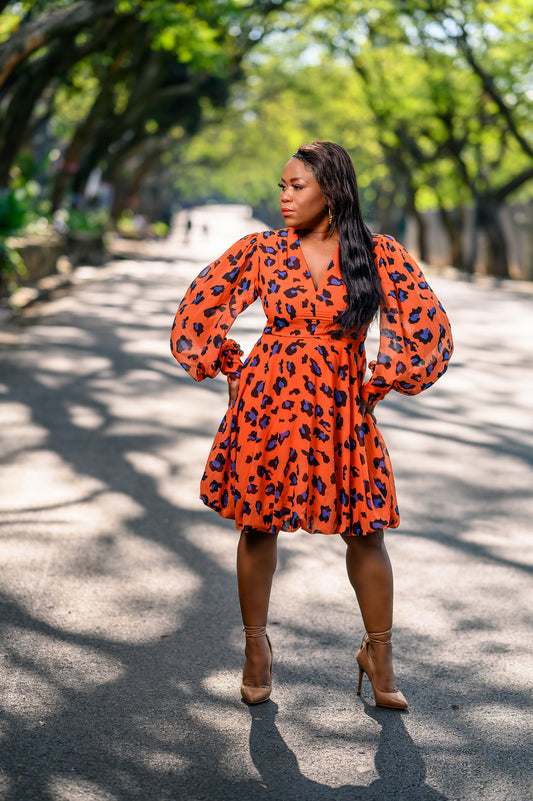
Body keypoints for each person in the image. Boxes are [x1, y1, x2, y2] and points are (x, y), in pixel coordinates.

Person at [170, 141, 453, 709]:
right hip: (267, 403)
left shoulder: (378, 255)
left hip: (341, 410)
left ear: (332, 190)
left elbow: (426, 330)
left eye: (297, 185)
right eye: (282, 185)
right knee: (257, 524)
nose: (285, 196)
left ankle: (379, 653)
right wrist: (231, 364)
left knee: (366, 530)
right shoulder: (262, 250)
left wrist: (374, 385)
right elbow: (198, 312)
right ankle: (256, 649)